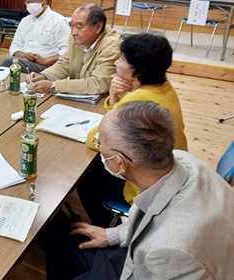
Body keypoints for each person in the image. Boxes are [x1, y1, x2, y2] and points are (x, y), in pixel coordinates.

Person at [46, 101, 234, 280]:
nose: (98, 146)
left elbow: (164, 248)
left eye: (99, 142)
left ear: (120, 162)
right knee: (60, 236)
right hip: (137, 256)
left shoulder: (171, 252)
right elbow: (152, 220)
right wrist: (112, 235)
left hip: (141, 268)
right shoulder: (183, 160)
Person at [80, 33, 188, 226]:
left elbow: (95, 138)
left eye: (121, 59)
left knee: (86, 176)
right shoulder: (164, 87)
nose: (116, 63)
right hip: (174, 175)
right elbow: (117, 119)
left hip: (148, 190)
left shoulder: (139, 99)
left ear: (136, 71)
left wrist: (119, 97)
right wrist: (115, 95)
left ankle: (106, 226)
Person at [30, 3, 120, 94]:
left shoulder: (111, 46)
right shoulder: (77, 39)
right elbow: (64, 63)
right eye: (71, 25)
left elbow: (98, 84)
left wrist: (53, 86)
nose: (73, 32)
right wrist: (45, 76)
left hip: (101, 103)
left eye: (79, 26)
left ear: (98, 27)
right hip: (79, 97)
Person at [0, 0, 69, 72]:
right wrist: (24, 55)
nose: (31, 4)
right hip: (25, 61)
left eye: (35, 0)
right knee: (11, 62)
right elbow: (14, 46)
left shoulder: (58, 21)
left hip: (48, 66)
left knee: (10, 62)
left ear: (45, 1)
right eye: (28, 1)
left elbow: (67, 51)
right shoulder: (25, 21)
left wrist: (45, 60)